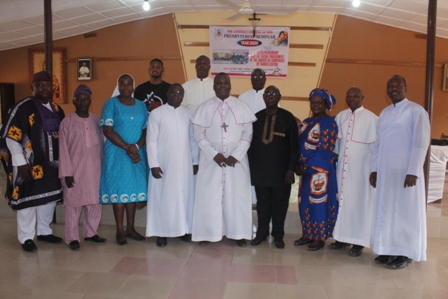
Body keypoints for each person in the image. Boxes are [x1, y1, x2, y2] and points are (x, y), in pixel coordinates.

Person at [0, 71, 65, 252]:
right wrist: (20, 163)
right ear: (32, 88)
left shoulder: (57, 109)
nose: (44, 88)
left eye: (48, 85)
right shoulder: (23, 108)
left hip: (51, 165)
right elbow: (11, 137)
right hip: (28, 165)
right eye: (40, 85)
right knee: (27, 200)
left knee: (48, 199)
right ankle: (26, 237)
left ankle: (44, 231)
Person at [370, 75, 430, 269]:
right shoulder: (385, 113)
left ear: (406, 87)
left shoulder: (416, 111)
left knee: (404, 212)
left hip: (406, 174)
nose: (393, 89)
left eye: (397, 85)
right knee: (386, 210)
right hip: (386, 173)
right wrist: (374, 169)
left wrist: (413, 170)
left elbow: (421, 143)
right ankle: (388, 248)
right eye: (390, 86)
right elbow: (378, 144)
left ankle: (405, 252)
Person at [191, 72, 256, 247]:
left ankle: (238, 233)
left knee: (237, 198)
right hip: (211, 161)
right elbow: (198, 135)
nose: (222, 86)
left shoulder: (241, 106)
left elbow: (248, 134)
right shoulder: (203, 108)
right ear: (214, 86)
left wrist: (236, 154)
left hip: (236, 162)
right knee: (209, 197)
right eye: (218, 83)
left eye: (225, 83)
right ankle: (207, 233)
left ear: (230, 85)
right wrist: (214, 154)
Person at [146, 84, 199, 247]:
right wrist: (153, 164)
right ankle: (162, 232)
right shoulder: (156, 114)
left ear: (183, 96)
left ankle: (183, 230)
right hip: (164, 164)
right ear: (167, 93)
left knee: (184, 198)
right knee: (164, 198)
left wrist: (195, 161)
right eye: (174, 92)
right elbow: (151, 141)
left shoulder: (188, 114)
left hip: (185, 164)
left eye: (180, 93)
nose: (177, 95)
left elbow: (193, 139)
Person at [100, 74, 148, 246]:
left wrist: (137, 147)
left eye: (129, 84)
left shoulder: (142, 106)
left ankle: (131, 228)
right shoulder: (110, 104)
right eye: (122, 84)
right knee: (120, 192)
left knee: (132, 191)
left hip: (137, 154)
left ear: (133, 86)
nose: (126, 87)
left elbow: (146, 130)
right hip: (117, 154)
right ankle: (120, 229)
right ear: (118, 86)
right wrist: (128, 148)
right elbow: (108, 130)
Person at [248, 85, 298, 249]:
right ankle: (261, 234)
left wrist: (291, 169)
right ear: (263, 97)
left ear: (279, 97)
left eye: (273, 93)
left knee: (280, 206)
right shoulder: (256, 118)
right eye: (267, 93)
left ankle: (278, 235)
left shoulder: (288, 118)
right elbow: (250, 146)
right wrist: (251, 169)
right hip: (260, 172)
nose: (270, 96)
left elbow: (294, 147)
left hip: (282, 173)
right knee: (262, 206)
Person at [330, 87, 377, 257]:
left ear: (362, 97)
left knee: (359, 205)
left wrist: (374, 170)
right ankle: (341, 238)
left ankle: (358, 242)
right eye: (349, 96)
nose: (352, 99)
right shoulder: (341, 116)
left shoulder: (372, 119)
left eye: (356, 96)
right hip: (342, 169)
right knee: (343, 204)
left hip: (362, 171)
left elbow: (376, 148)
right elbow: (337, 145)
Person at [59, 84, 106, 251]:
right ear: (74, 101)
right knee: (73, 204)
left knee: (94, 202)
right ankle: (72, 238)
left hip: (94, 168)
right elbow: (63, 149)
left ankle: (91, 233)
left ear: (90, 101)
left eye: (85, 99)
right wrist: (66, 172)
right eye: (78, 99)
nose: (82, 102)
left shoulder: (96, 120)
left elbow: (102, 145)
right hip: (74, 170)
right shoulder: (67, 122)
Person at [294, 88, 338, 251]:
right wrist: (298, 164)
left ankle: (319, 238)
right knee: (304, 202)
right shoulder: (306, 122)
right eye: (313, 102)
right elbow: (299, 145)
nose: (316, 105)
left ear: (326, 104)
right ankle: (308, 234)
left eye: (320, 103)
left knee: (318, 204)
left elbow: (325, 148)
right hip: (305, 171)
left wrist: (307, 164)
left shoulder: (329, 122)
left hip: (320, 171)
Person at [239, 68, 268, 206]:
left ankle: (259, 202)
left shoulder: (270, 96)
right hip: (246, 142)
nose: (257, 79)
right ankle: (248, 202)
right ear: (250, 79)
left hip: (264, 143)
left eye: (260, 76)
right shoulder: (243, 97)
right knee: (246, 172)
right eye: (254, 76)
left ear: (265, 78)